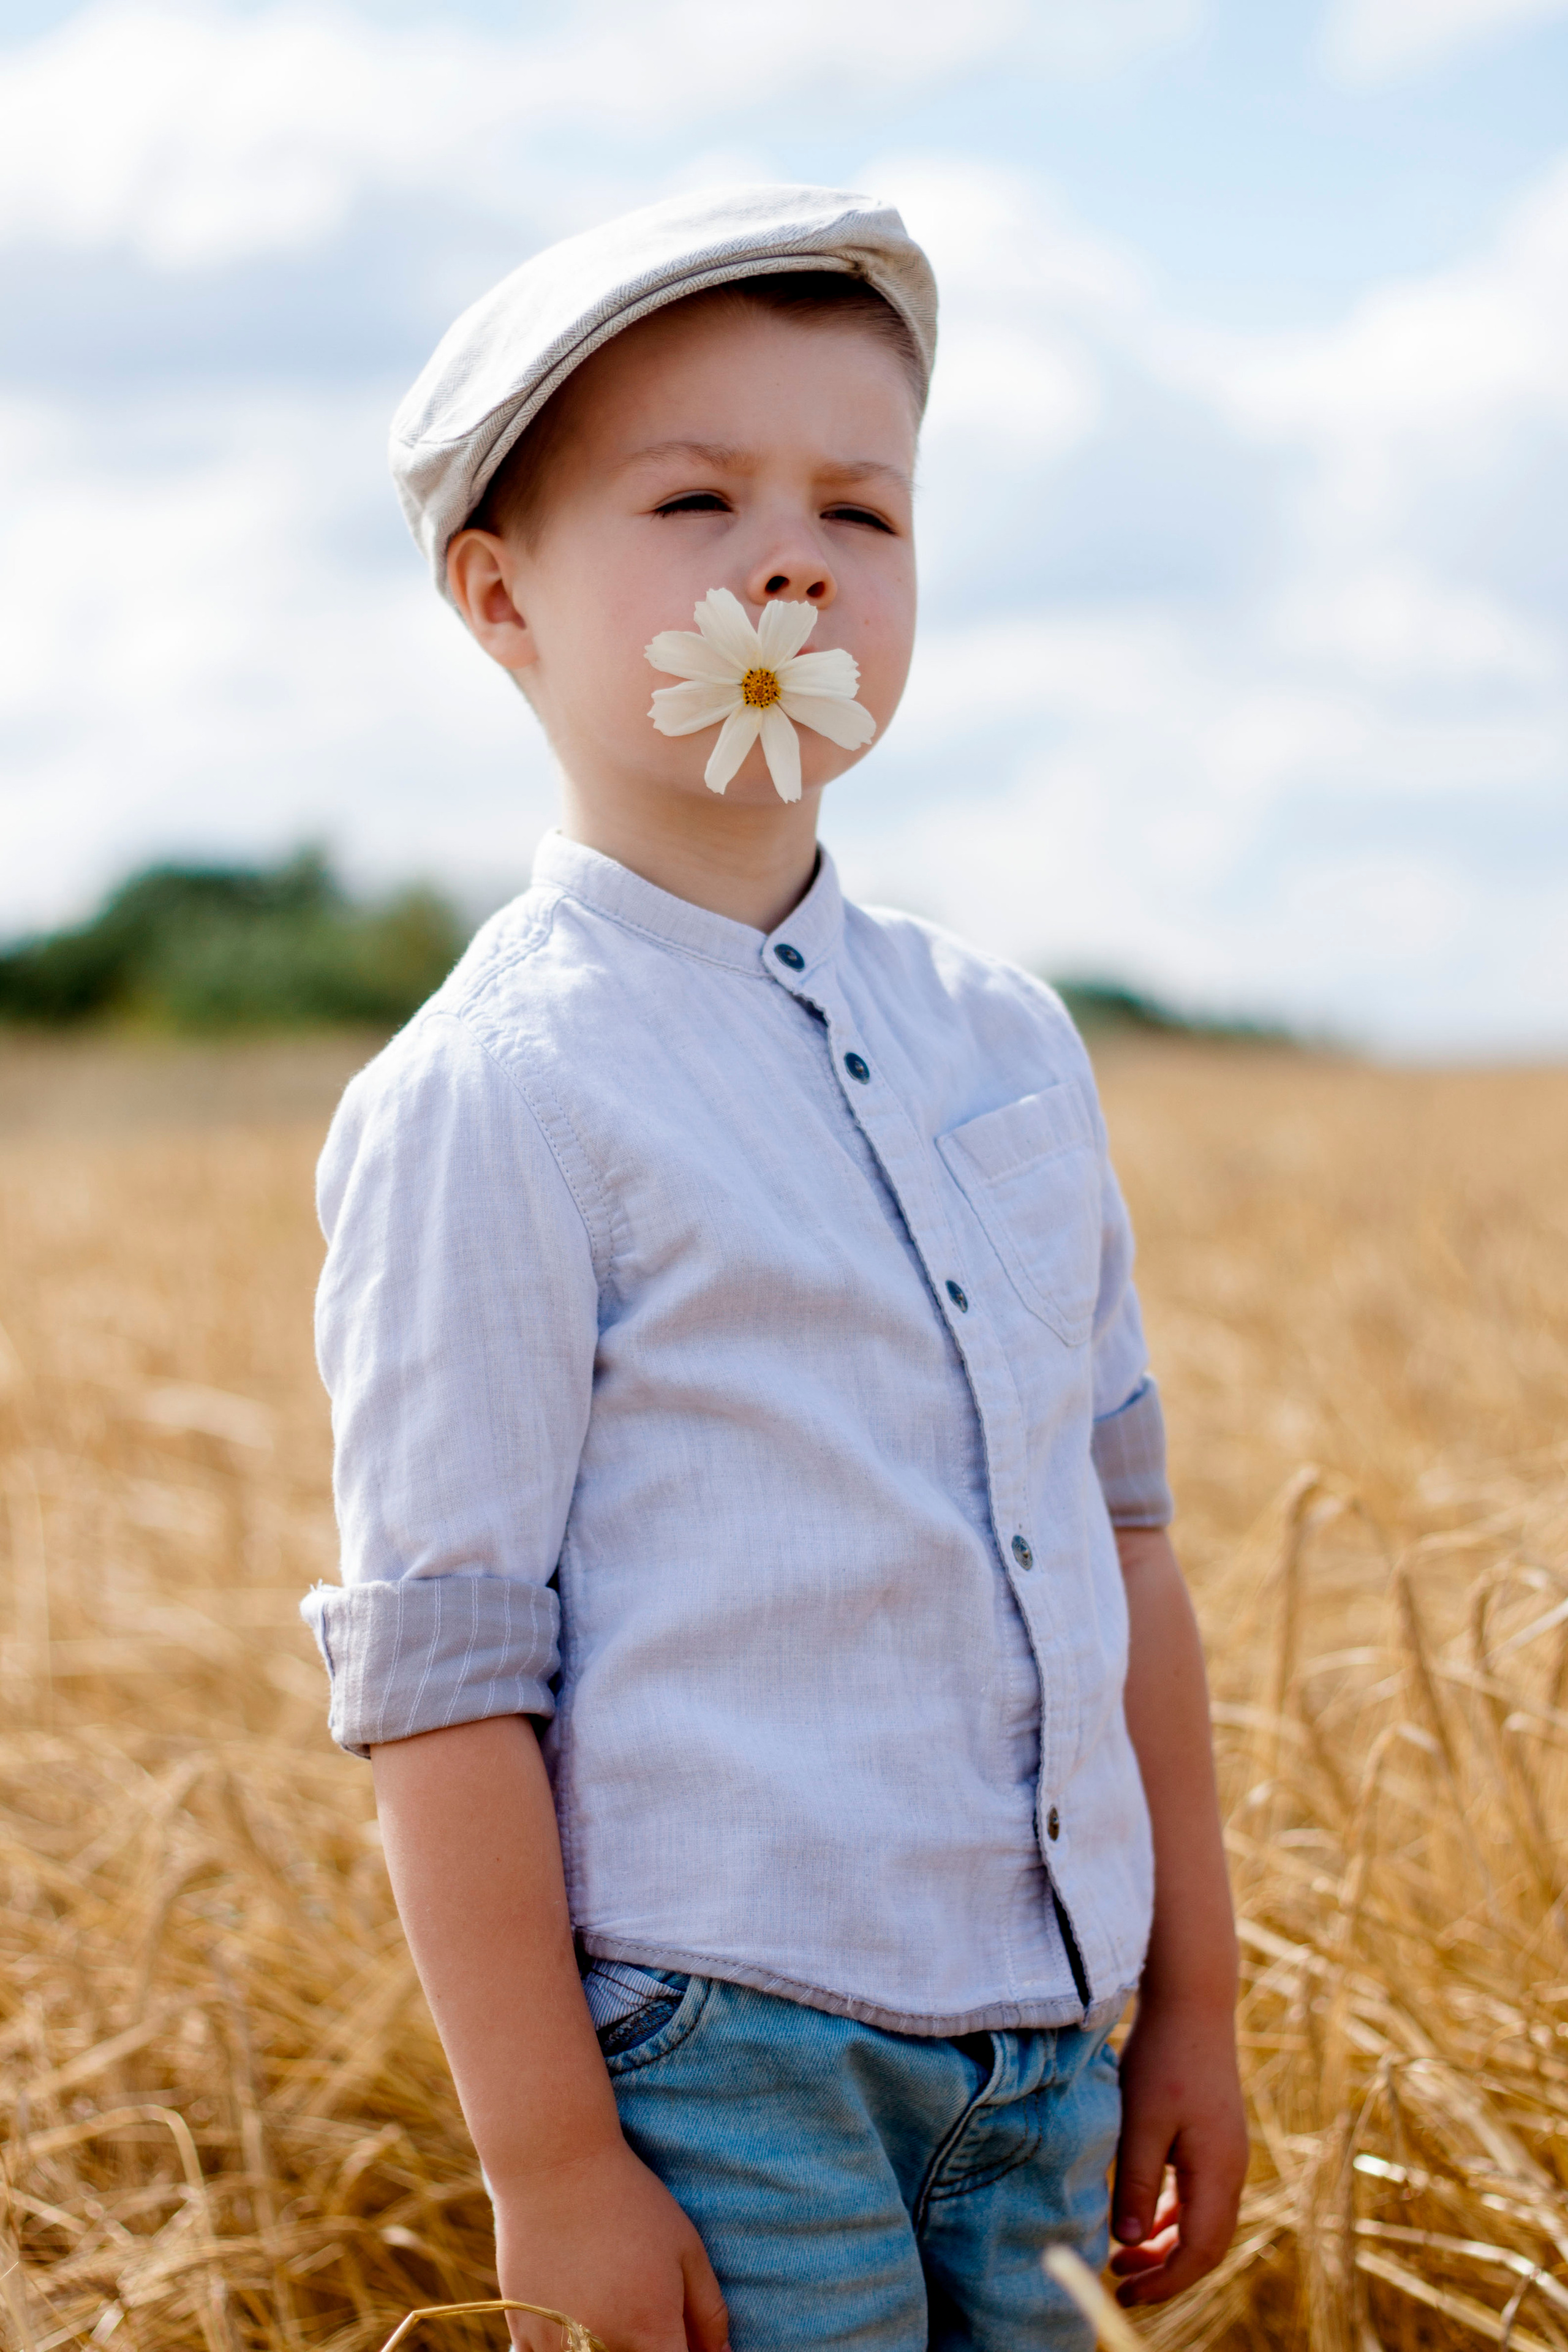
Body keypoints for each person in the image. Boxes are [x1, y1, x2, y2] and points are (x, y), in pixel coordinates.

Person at [303, 184, 1247, 2352]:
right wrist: (555, 2170)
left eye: (864, 509)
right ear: (499, 595)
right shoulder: (500, 1094)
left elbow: (1125, 1546)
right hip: (723, 2068)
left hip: (1053, 2042)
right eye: (696, 498)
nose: (795, 559)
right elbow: (446, 1676)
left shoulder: (1006, 1040)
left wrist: (1191, 1999)